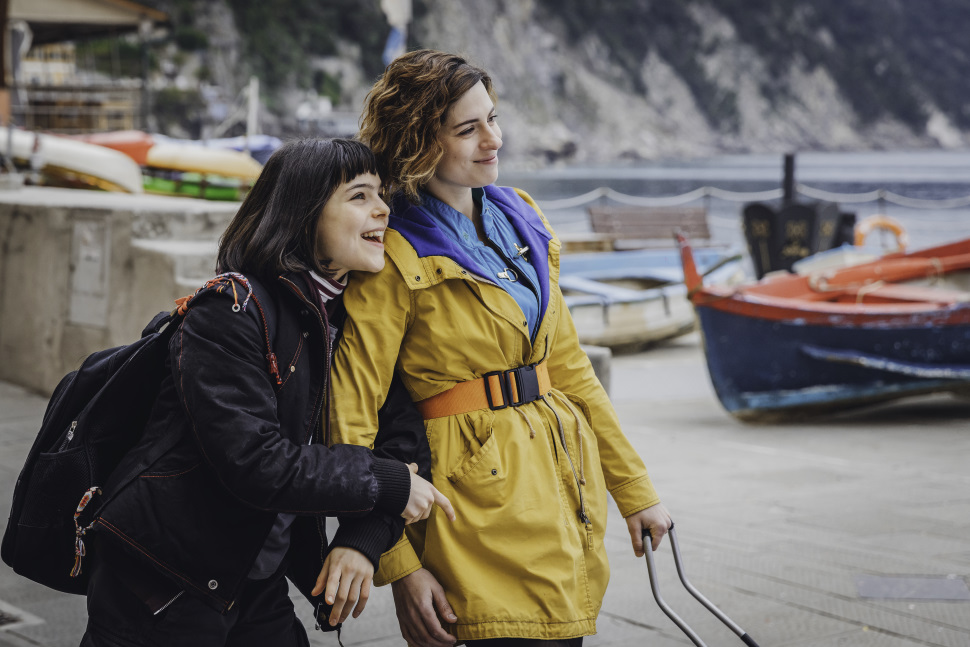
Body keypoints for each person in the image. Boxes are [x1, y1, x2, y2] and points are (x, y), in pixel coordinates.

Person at [330, 50, 672, 646]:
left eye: (492, 118)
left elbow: (570, 369)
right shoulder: (391, 250)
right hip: (467, 506)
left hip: (560, 482)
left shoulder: (523, 216)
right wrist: (399, 566)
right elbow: (352, 414)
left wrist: (634, 490)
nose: (494, 139)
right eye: (468, 129)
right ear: (418, 141)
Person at [78, 138, 454, 647]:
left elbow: (404, 446)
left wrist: (361, 541)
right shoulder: (231, 310)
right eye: (360, 195)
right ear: (303, 212)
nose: (384, 208)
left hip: (255, 579)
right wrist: (383, 482)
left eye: (382, 194)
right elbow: (255, 461)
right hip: (163, 579)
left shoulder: (354, 320)